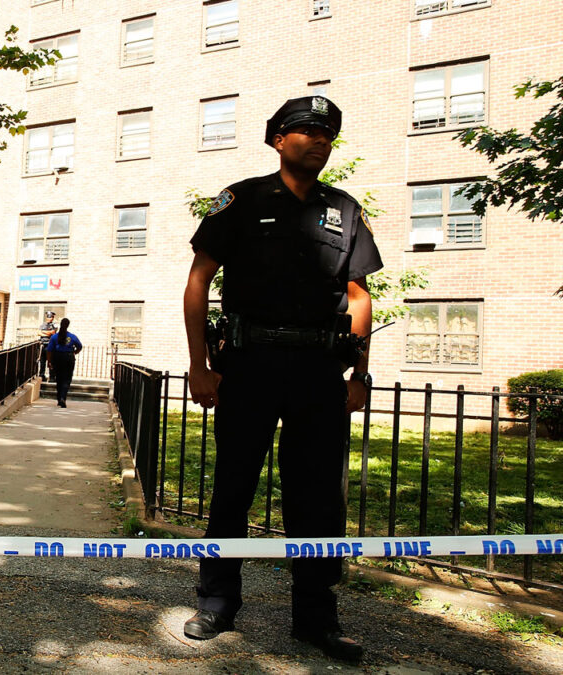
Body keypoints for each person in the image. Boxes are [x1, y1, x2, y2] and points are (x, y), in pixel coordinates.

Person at [181, 96, 381, 663]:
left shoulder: (343, 209)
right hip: (249, 365)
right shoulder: (239, 200)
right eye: (307, 131)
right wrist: (200, 364)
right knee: (234, 486)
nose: (319, 141)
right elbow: (199, 280)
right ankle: (217, 600)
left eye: (328, 134)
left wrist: (358, 373)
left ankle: (316, 616)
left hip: (320, 370)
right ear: (278, 139)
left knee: (317, 496)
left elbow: (359, 295)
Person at [44, 317, 82, 408]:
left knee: (59, 378)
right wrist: (74, 353)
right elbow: (79, 346)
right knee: (67, 379)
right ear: (68, 325)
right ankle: (63, 398)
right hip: (68, 358)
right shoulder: (72, 336)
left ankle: (59, 398)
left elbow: (49, 350)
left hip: (57, 358)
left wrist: (49, 361)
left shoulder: (54, 337)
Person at [37, 311, 57, 381]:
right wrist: (47, 333)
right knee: (42, 361)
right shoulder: (42, 325)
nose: (50, 318)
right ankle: (42, 375)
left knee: (51, 361)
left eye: (51, 317)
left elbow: (53, 333)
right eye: (48, 317)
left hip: (50, 345)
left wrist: (44, 332)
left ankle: (52, 377)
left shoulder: (54, 325)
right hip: (43, 345)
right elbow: (38, 333)